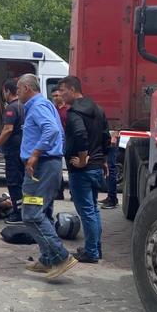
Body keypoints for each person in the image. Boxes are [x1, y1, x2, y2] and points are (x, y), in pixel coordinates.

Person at [16, 73, 76, 280]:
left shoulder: (38, 106)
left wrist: (35, 154)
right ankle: (47, 259)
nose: (16, 94)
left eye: (17, 89)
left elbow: (51, 131)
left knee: (31, 214)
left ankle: (61, 256)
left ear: (26, 88)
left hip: (40, 167)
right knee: (44, 212)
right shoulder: (44, 104)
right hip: (46, 165)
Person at [57, 75, 110, 263]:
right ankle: (95, 248)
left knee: (87, 210)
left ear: (72, 89)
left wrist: (81, 159)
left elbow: (80, 134)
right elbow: (106, 136)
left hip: (81, 170)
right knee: (93, 210)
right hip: (95, 166)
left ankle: (91, 252)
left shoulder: (74, 113)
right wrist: (103, 160)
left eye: (62, 90)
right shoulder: (97, 109)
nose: (60, 94)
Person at [0, 78, 25, 224]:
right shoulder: (24, 105)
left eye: (3, 92)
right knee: (23, 181)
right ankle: (24, 210)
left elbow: (8, 129)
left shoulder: (11, 107)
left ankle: (18, 213)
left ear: (7, 90)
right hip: (24, 150)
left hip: (14, 151)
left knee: (13, 183)